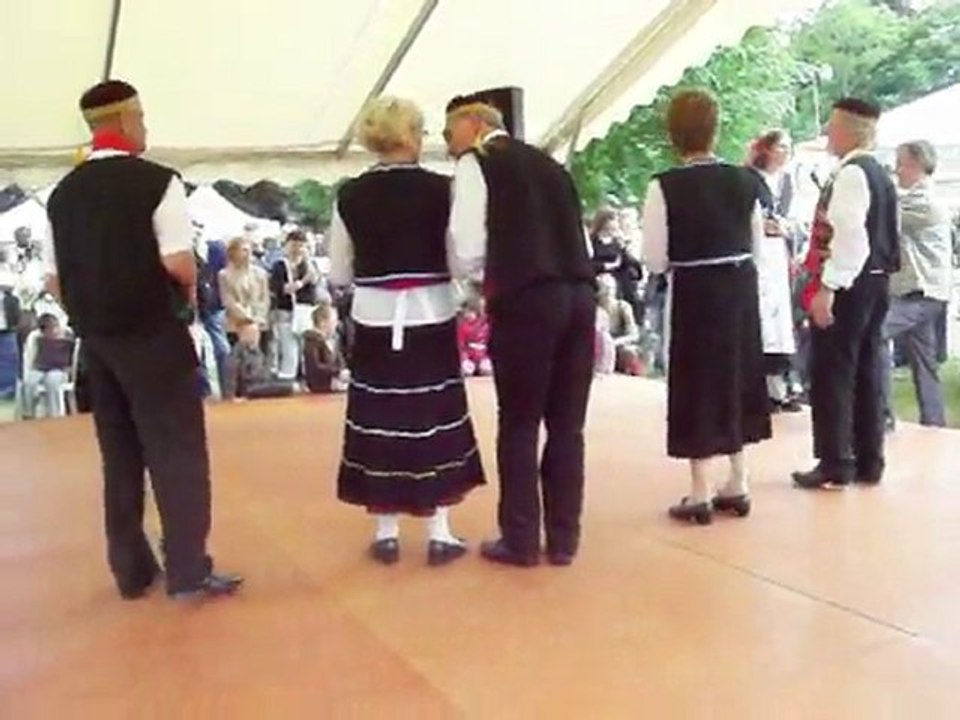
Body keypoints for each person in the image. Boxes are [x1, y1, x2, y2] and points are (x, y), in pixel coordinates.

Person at [42, 79, 242, 601]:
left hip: (99, 341)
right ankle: (188, 568)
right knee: (177, 450)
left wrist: (87, 309)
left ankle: (131, 569)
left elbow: (53, 279)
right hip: (153, 333)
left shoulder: (62, 195)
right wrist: (189, 294)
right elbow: (176, 261)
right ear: (128, 120)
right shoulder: (158, 182)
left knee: (121, 453)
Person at [329, 96, 485, 567]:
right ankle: (439, 530)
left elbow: (338, 271)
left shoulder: (349, 194)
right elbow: (460, 257)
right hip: (431, 313)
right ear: (412, 136)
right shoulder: (443, 189)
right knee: (430, 413)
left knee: (380, 417)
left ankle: (386, 531)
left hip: (375, 317)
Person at [447, 90, 595, 566]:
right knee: (568, 425)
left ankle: (522, 537)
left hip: (527, 296)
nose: (448, 144)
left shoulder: (478, 163)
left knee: (520, 422)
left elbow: (467, 245)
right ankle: (565, 538)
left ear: (473, 123)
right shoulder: (552, 166)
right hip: (579, 293)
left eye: (450, 132)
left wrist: (472, 281)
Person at [641, 89, 771, 525]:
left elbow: (656, 258)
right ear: (716, 129)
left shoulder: (664, 186)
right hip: (737, 290)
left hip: (695, 290)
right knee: (736, 374)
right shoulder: (745, 181)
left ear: (673, 134)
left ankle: (699, 488)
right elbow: (756, 244)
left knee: (696, 380)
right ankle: (738, 478)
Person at [793, 98, 900, 489]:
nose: (826, 132)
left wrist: (829, 286)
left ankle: (835, 459)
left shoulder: (852, 174)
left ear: (848, 129)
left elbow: (851, 238)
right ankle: (869, 458)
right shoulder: (880, 173)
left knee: (833, 369)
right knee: (867, 367)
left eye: (833, 125)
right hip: (877, 280)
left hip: (852, 281)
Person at [881, 140, 953, 428]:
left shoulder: (925, 203)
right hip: (919, 293)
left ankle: (882, 415)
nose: (898, 170)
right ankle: (934, 423)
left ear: (918, 165)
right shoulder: (912, 198)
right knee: (925, 364)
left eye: (903, 163)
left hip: (922, 294)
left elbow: (888, 213)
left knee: (873, 334)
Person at [747, 130, 800, 412]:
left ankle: (779, 387)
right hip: (761, 255)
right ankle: (762, 389)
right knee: (764, 320)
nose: (785, 151)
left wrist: (786, 230)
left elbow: (792, 220)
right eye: (780, 146)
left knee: (779, 323)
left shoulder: (787, 182)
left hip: (778, 254)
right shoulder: (751, 180)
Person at [270, 230, 318, 380]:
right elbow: (281, 289)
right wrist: (302, 281)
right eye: (294, 245)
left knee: (306, 347)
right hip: (287, 310)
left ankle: (305, 376)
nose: (298, 249)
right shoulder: (279, 266)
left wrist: (309, 270)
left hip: (305, 311)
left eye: (301, 246)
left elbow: (315, 285)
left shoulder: (310, 265)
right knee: (289, 347)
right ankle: (288, 377)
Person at [222, 321, 295, 400]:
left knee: (288, 385)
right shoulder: (237, 351)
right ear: (242, 335)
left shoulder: (256, 349)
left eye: (257, 333)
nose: (256, 336)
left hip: (262, 382)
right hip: (249, 387)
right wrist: (231, 395)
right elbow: (230, 374)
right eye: (251, 333)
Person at [219, 237, 271, 347]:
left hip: (259, 324)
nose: (247, 254)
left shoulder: (260, 273)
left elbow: (265, 298)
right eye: (243, 250)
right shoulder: (224, 274)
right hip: (235, 325)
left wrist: (257, 318)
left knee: (258, 359)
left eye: (248, 250)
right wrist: (246, 317)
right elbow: (228, 300)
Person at [21, 313, 75, 418]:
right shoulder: (37, 339)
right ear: (43, 331)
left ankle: (54, 414)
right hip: (41, 368)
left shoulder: (68, 337)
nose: (53, 331)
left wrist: (69, 369)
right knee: (29, 382)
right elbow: (32, 357)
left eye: (55, 327)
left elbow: (71, 358)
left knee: (52, 381)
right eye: (49, 330)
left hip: (59, 370)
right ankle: (28, 413)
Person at [596, 274, 642, 375]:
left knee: (629, 352)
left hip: (618, 346)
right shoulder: (594, 307)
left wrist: (613, 343)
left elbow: (634, 335)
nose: (608, 291)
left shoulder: (622, 307)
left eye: (611, 288)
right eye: (604, 288)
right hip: (597, 347)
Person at [302, 301, 349, 394]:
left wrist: (344, 371)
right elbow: (314, 366)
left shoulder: (333, 340)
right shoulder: (312, 340)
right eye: (333, 321)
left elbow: (340, 361)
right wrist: (337, 372)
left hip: (334, 382)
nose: (336, 324)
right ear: (323, 322)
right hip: (319, 385)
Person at [457, 294, 493, 377]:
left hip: (484, 356)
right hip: (469, 357)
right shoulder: (462, 327)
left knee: (487, 370)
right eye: (466, 313)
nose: (468, 315)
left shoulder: (486, 325)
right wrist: (465, 358)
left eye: (470, 312)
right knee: (467, 371)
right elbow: (461, 345)